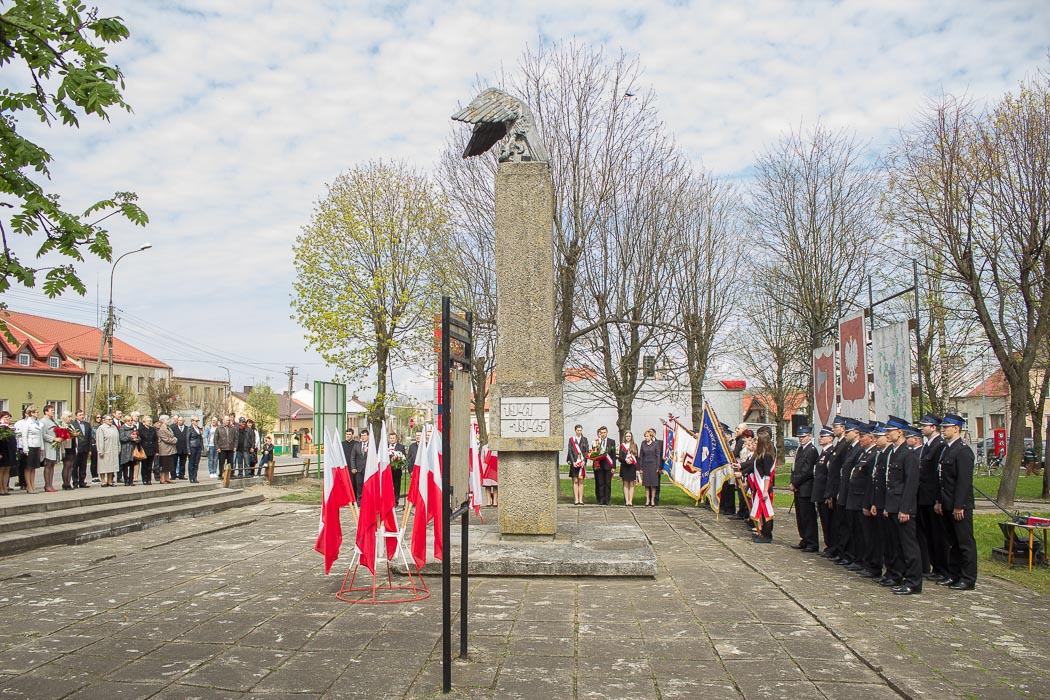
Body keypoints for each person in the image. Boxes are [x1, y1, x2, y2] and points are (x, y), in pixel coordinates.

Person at [936, 413, 977, 590]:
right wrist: (939, 501)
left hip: (959, 505)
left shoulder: (963, 451)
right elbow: (942, 478)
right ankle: (954, 574)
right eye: (943, 427)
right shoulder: (947, 449)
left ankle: (968, 578)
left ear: (956, 428)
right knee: (952, 542)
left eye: (946, 427)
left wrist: (959, 505)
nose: (943, 430)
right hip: (946, 502)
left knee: (964, 542)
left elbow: (964, 481)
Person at [885, 416, 922, 595]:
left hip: (903, 506)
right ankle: (899, 575)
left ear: (900, 432)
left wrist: (905, 508)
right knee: (896, 545)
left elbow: (911, 483)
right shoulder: (894, 452)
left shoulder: (909, 454)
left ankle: (914, 581)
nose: (887, 434)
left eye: (889, 431)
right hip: (893, 504)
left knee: (909, 546)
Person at [916, 415, 948, 581]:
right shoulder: (927, 446)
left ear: (933, 427)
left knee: (938, 535)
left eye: (925, 426)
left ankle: (942, 568)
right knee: (929, 534)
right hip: (923, 497)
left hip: (932, 497)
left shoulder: (939, 446)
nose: (922, 428)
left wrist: (938, 499)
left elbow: (937, 476)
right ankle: (935, 567)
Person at [789, 426, 819, 552]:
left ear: (810, 436)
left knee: (808, 517)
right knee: (800, 516)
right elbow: (795, 468)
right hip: (799, 487)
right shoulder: (801, 449)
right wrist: (793, 482)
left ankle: (811, 542)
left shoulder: (811, 450)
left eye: (804, 436)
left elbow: (807, 471)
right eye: (800, 437)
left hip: (806, 487)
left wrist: (795, 483)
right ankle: (804, 539)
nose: (801, 439)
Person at [742, 430, 776, 542]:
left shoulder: (767, 456)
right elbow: (753, 467)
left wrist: (765, 490)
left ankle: (767, 535)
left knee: (766, 512)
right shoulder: (761, 455)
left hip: (764, 488)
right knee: (761, 512)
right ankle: (762, 533)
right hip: (759, 487)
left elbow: (767, 475)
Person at [812, 427, 835, 554]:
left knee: (828, 521)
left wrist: (828, 494)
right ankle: (828, 545)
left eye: (823, 436)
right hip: (820, 491)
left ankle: (831, 546)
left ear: (831, 438)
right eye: (820, 436)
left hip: (825, 491)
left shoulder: (831, 452)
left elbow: (829, 475)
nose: (820, 439)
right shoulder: (823, 452)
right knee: (824, 521)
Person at [18, 405, 42, 493]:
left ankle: (33, 485)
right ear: (31, 413)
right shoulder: (27, 423)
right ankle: (28, 486)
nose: (38, 414)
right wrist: (25, 448)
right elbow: (24, 436)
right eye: (36, 412)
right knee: (28, 467)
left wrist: (41, 447)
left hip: (37, 445)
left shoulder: (38, 422)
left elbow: (40, 436)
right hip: (29, 446)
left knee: (34, 467)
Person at [591, 426, 616, 506]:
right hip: (599, 465)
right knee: (600, 483)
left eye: (604, 432)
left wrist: (614, 467)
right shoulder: (596, 442)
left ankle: (607, 500)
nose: (603, 434)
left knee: (608, 483)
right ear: (599, 433)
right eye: (601, 433)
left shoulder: (611, 441)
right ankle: (601, 500)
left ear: (607, 432)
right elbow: (593, 454)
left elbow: (613, 455)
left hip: (608, 465)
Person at [566, 424, 589, 506]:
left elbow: (587, 452)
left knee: (581, 481)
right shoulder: (571, 439)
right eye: (578, 430)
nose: (579, 432)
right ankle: (576, 499)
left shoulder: (585, 439)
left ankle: (581, 499)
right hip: (575, 464)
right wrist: (573, 462)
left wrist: (584, 461)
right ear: (575, 431)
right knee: (575, 481)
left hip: (582, 464)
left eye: (580, 430)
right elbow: (570, 452)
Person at [639, 428, 663, 507]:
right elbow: (641, 455)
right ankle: (647, 500)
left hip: (653, 465)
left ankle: (653, 500)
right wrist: (641, 467)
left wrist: (658, 467)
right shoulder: (643, 443)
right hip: (645, 465)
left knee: (653, 484)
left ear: (651, 437)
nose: (646, 438)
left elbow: (657, 455)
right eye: (645, 436)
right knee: (647, 484)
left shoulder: (655, 444)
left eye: (647, 436)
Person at [95, 415, 120, 487]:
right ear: (104, 420)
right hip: (105, 449)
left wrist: (118, 448)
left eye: (111, 419)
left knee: (111, 466)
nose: (111, 421)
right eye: (109, 419)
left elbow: (117, 439)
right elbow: (100, 440)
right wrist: (100, 450)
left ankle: (110, 481)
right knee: (103, 466)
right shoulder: (101, 428)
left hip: (113, 449)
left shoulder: (114, 427)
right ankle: (103, 481)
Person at [39, 403, 59, 492]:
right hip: (48, 445)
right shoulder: (43, 421)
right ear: (46, 412)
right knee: (48, 465)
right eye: (51, 410)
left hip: (55, 446)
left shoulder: (54, 421)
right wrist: (53, 439)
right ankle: (47, 485)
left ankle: (51, 484)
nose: (53, 412)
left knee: (52, 465)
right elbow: (43, 434)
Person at [117, 414, 140, 487]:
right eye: (128, 421)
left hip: (133, 448)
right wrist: (130, 437)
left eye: (131, 420)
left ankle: (131, 480)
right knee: (125, 466)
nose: (130, 422)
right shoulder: (122, 428)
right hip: (125, 449)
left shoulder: (134, 428)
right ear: (125, 421)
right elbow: (122, 438)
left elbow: (139, 437)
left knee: (132, 466)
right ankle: (126, 480)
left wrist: (137, 440)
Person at [618, 430, 639, 507]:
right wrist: (625, 460)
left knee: (632, 483)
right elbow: (620, 457)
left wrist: (637, 468)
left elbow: (637, 457)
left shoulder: (634, 445)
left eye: (629, 436)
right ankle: (627, 501)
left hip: (632, 467)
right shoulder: (622, 446)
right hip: (624, 466)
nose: (628, 437)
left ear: (631, 437)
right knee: (625, 483)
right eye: (627, 436)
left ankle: (631, 501)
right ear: (624, 437)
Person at [72, 409, 92, 488]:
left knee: (83, 466)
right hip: (77, 448)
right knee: (75, 466)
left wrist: (89, 449)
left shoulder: (87, 425)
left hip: (85, 448)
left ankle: (82, 481)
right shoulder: (73, 424)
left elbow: (89, 438)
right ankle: (75, 482)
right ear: (76, 416)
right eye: (80, 415)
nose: (82, 416)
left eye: (83, 415)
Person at [215, 414, 239, 481]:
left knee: (230, 462)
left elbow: (236, 439)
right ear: (223, 420)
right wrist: (217, 447)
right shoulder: (219, 428)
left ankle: (230, 474)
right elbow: (215, 439)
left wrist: (235, 447)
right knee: (221, 462)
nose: (228, 421)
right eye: (226, 420)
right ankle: (221, 474)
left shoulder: (232, 428)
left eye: (228, 420)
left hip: (230, 448)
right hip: (222, 448)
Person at [156, 415, 177, 484]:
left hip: (170, 449)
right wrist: (174, 440)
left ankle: (167, 478)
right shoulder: (162, 429)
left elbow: (173, 436)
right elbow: (165, 439)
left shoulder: (168, 428)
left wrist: (174, 439)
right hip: (164, 449)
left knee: (169, 465)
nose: (168, 421)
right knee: (164, 465)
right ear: (163, 421)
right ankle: (162, 479)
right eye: (167, 420)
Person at [388, 430, 407, 507]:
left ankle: (395, 501)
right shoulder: (386, 446)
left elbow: (403, 458)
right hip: (388, 470)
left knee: (396, 486)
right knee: (388, 486)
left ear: (396, 439)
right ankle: (388, 500)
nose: (392, 439)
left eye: (393, 438)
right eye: (391, 438)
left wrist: (398, 464)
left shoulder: (400, 447)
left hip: (396, 470)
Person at [0, 410, 16, 495]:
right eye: (5, 417)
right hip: (3, 451)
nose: (8, 419)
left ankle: (5, 487)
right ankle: (1, 488)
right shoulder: (1, 428)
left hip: (10, 451)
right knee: (1, 470)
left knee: (7, 469)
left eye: (9, 417)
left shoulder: (10, 428)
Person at [350, 429, 369, 502]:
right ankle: (359, 500)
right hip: (358, 469)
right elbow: (352, 457)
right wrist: (353, 467)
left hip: (368, 469)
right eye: (362, 436)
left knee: (367, 486)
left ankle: (367, 500)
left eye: (364, 435)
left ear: (368, 436)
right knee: (359, 485)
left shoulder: (371, 445)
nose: (363, 437)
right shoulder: (357, 445)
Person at [138, 415, 157, 485]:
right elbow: (140, 440)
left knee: (150, 465)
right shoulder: (140, 430)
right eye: (148, 421)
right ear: (144, 422)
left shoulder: (153, 429)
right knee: (144, 465)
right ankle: (144, 479)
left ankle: (149, 479)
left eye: (150, 421)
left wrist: (156, 450)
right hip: (144, 449)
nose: (149, 422)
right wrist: (140, 449)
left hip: (151, 448)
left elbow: (155, 440)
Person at [188, 416, 204, 483]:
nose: (197, 422)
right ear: (192, 421)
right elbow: (187, 439)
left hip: (198, 447)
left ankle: (195, 477)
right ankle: (191, 477)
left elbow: (200, 438)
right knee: (191, 462)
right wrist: (188, 449)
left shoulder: (198, 428)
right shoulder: (189, 429)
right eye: (196, 421)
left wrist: (202, 446)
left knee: (196, 463)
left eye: (198, 421)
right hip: (192, 446)